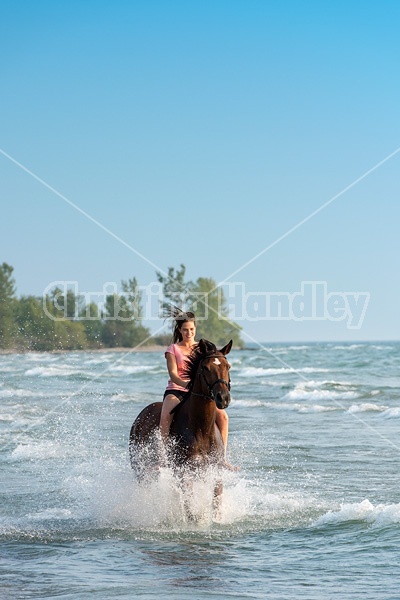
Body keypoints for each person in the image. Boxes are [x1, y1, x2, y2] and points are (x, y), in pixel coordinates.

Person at [159, 309, 234, 469]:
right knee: (166, 415)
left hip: (200, 393)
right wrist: (186, 384)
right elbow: (173, 374)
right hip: (177, 389)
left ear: (195, 329)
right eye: (185, 329)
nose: (189, 332)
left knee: (224, 417)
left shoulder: (202, 348)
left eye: (192, 329)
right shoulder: (173, 349)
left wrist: (223, 365)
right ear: (180, 330)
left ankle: (222, 458)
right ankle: (163, 456)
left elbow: (214, 362)